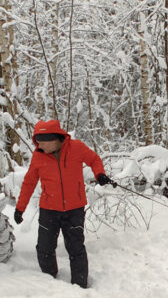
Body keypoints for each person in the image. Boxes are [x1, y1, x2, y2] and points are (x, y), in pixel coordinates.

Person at [14, 120, 113, 288]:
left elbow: (94, 159)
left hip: (74, 209)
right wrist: (19, 208)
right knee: (44, 248)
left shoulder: (76, 148)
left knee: (76, 248)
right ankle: (49, 282)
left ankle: (80, 286)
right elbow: (29, 182)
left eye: (43, 143)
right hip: (49, 210)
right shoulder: (38, 155)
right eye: (38, 143)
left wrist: (100, 174)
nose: (40, 146)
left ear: (55, 139)